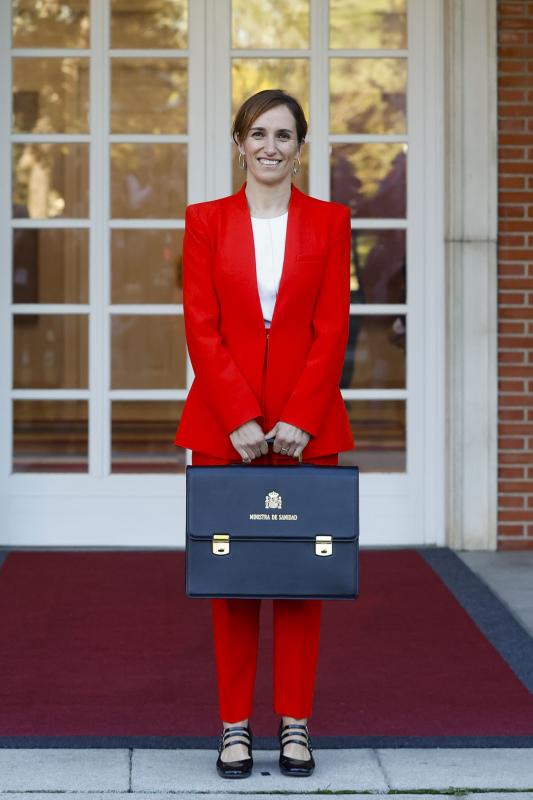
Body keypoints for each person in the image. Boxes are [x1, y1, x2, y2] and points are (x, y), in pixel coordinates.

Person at [174, 89, 354, 778]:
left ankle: (296, 724)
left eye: (283, 135)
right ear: (239, 144)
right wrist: (240, 417)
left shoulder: (331, 221)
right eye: (258, 133)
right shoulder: (206, 221)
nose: (270, 146)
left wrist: (300, 417)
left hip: (308, 425)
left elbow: (331, 325)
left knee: (303, 578)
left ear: (300, 148)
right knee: (232, 577)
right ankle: (233, 728)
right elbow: (201, 325)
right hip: (226, 426)